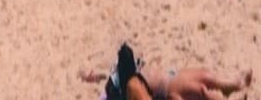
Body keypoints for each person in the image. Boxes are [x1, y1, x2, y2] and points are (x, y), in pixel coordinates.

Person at [94, 44, 252, 99]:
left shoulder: (126, 82)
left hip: (169, 77)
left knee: (205, 76)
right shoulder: (131, 89)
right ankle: (231, 87)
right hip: (168, 86)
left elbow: (125, 55)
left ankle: (233, 84)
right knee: (201, 89)